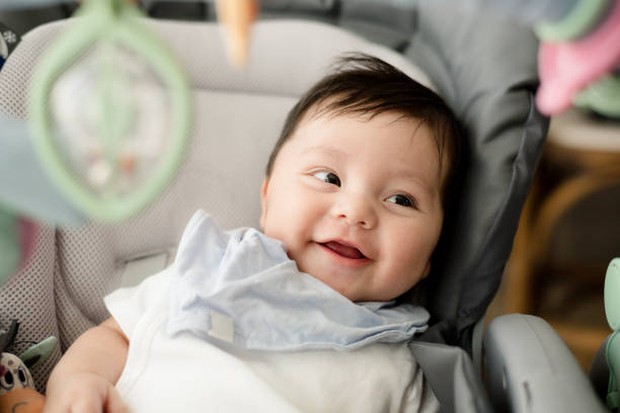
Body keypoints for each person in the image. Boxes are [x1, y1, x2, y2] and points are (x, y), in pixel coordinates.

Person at [42, 53, 461, 413]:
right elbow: (115, 336)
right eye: (328, 177)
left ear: (433, 254)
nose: (355, 212)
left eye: (401, 199)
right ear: (267, 197)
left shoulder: (402, 368)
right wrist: (80, 380)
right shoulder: (213, 271)